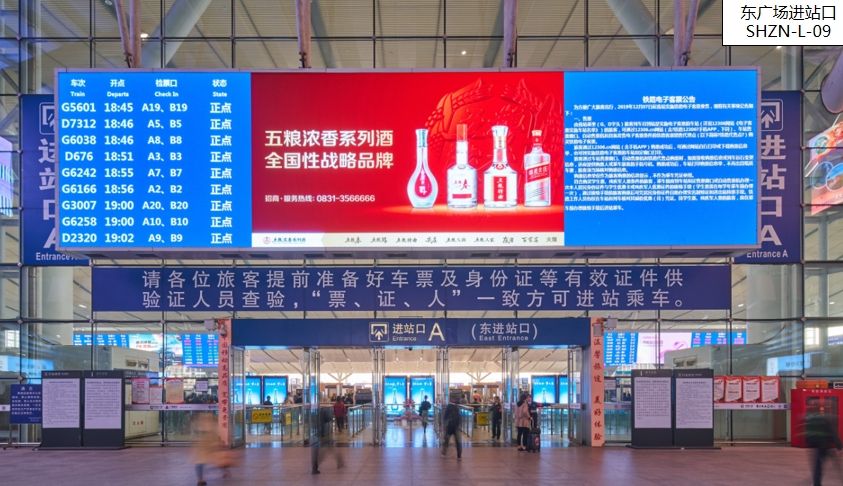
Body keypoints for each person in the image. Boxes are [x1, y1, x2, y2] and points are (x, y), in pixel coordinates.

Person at [805, 397, 843, 485]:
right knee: (835, 465)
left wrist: (809, 443)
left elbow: (807, 432)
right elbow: (832, 432)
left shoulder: (809, 418)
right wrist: (839, 446)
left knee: (818, 466)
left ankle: (817, 483)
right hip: (825, 445)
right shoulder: (823, 418)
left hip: (816, 446)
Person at [312, 406, 344, 474]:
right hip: (324, 434)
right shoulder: (324, 411)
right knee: (328, 449)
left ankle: (339, 461)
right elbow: (328, 418)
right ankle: (339, 461)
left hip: (320, 434)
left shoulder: (316, 413)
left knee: (326, 450)